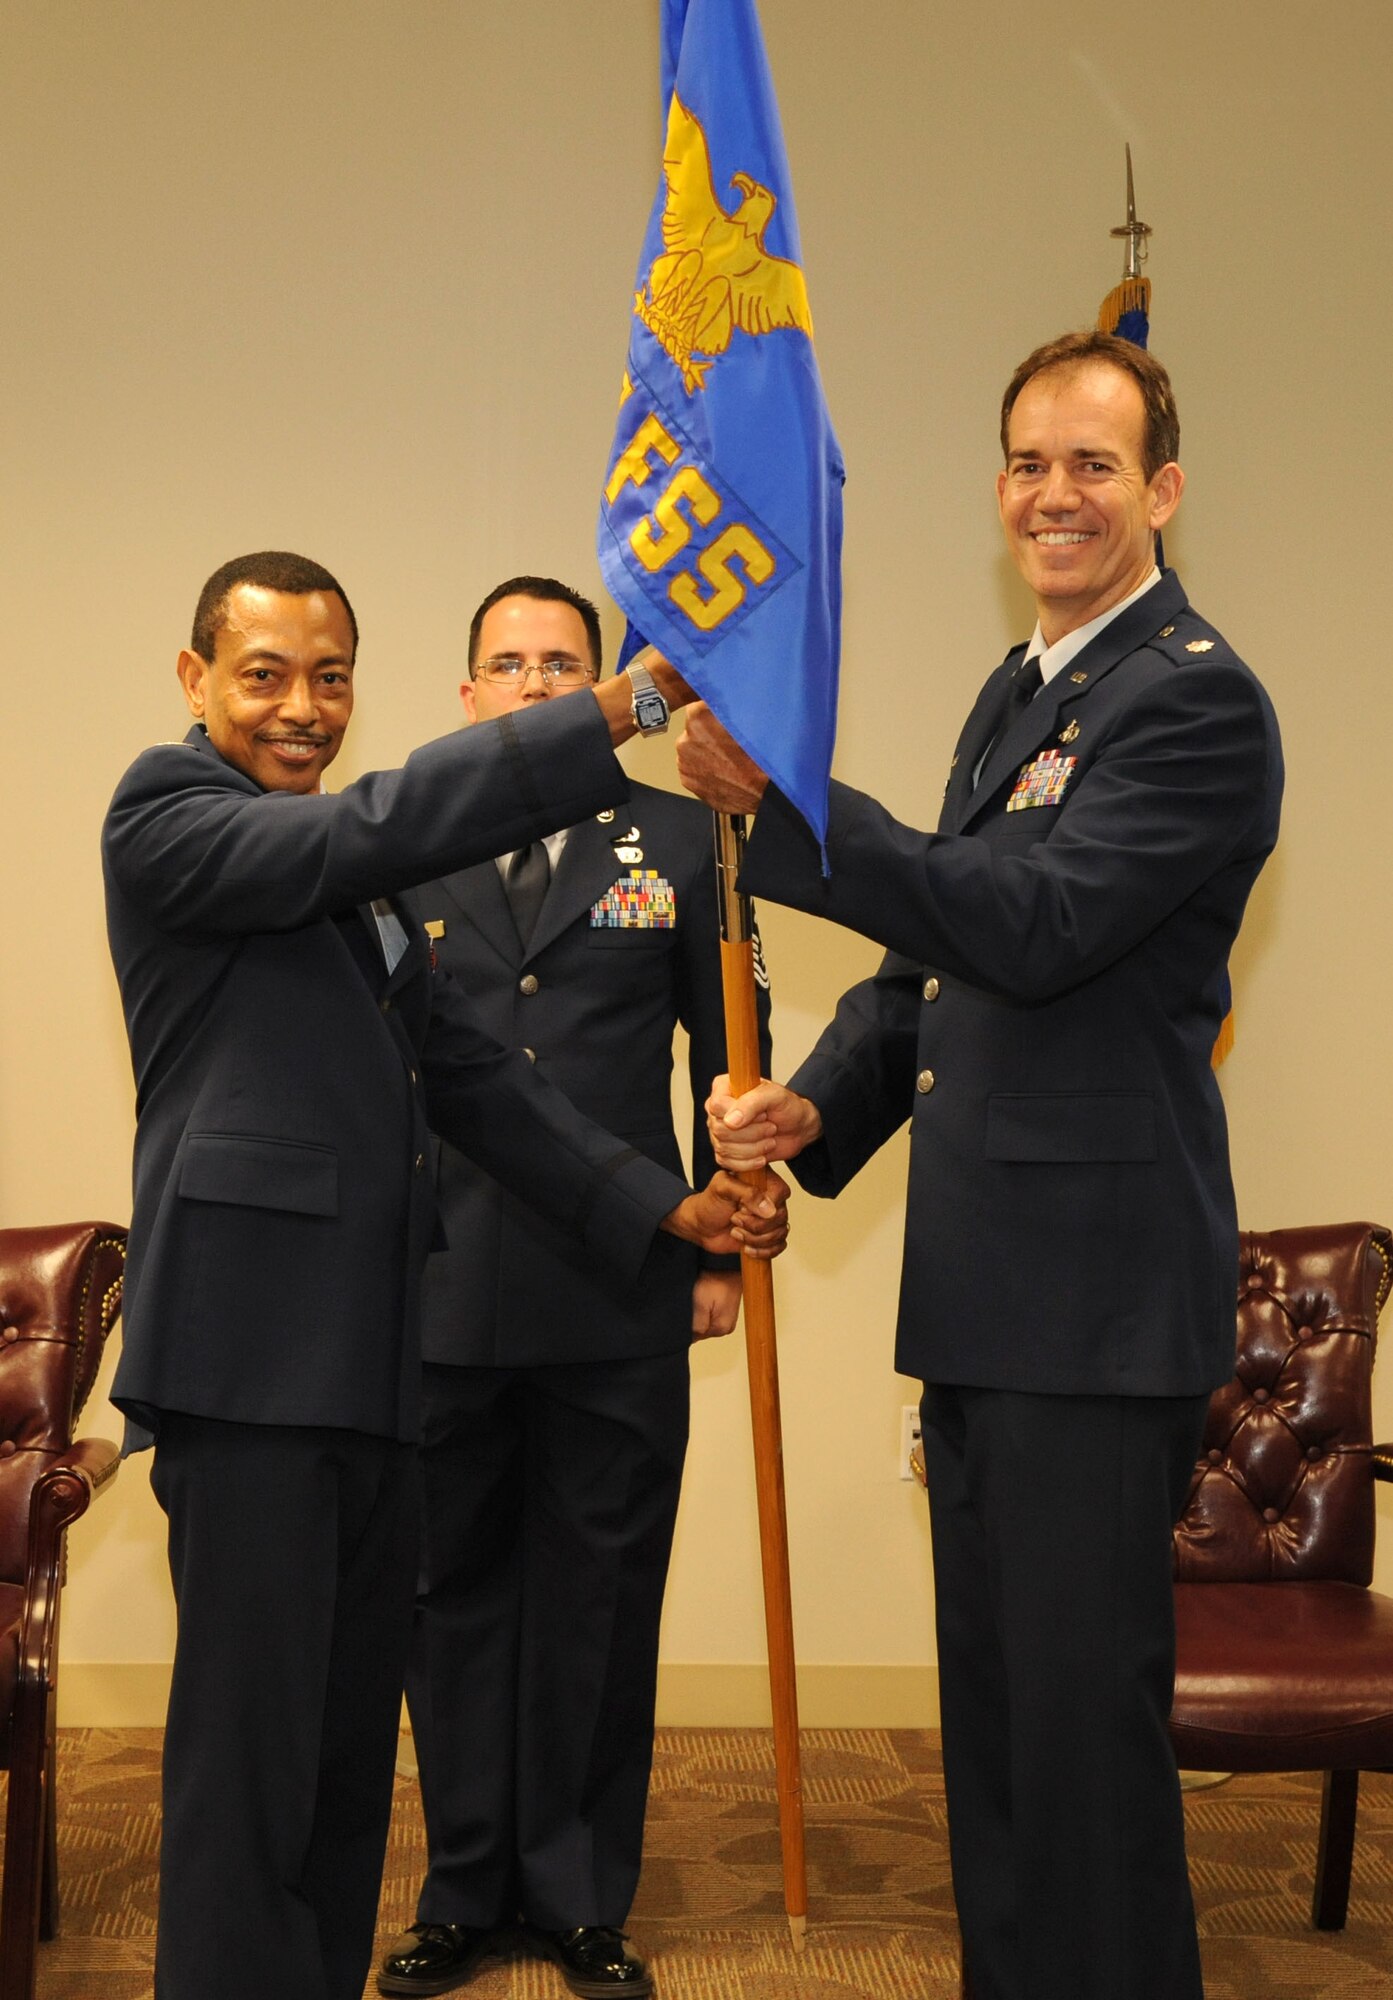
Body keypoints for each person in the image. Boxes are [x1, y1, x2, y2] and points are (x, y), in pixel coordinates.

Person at [673, 332, 1284, 2000]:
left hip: (1090, 1307)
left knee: (1081, 1758)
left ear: (1160, 488)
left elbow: (1041, 921)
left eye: (1092, 464)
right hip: (991, 1297)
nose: (1054, 495)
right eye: (1027, 462)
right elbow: (932, 972)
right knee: (1002, 1740)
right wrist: (819, 1105)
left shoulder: (1196, 699)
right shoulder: (1020, 692)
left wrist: (793, 808)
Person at [101, 551, 785, 2000]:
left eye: (330, 676)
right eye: (266, 673)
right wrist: (626, 698)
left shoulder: (352, 882)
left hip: (368, 1367)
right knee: (253, 1772)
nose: (302, 706)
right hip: (250, 1373)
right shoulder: (171, 815)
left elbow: (471, 1079)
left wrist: (666, 1217)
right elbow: (381, 824)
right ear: (195, 682)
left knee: (344, 1767)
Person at [377, 575, 771, 2000]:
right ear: (467, 693)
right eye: (507, 663)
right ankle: (463, 1887)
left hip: (621, 1281)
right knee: (449, 1597)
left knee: (601, 1596)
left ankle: (581, 1895)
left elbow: (728, 1054)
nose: (536, 684)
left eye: (563, 663)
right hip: (442, 1282)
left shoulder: (683, 839)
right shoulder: (405, 847)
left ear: (609, 693)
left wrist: (719, 1246)